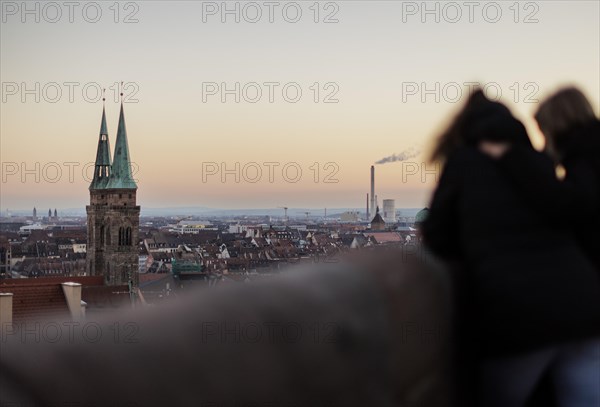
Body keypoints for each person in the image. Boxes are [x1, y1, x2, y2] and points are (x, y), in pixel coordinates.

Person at [422, 90, 600, 407]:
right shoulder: (537, 161)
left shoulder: (463, 162)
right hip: (585, 306)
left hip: (519, 318)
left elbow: (438, 235)